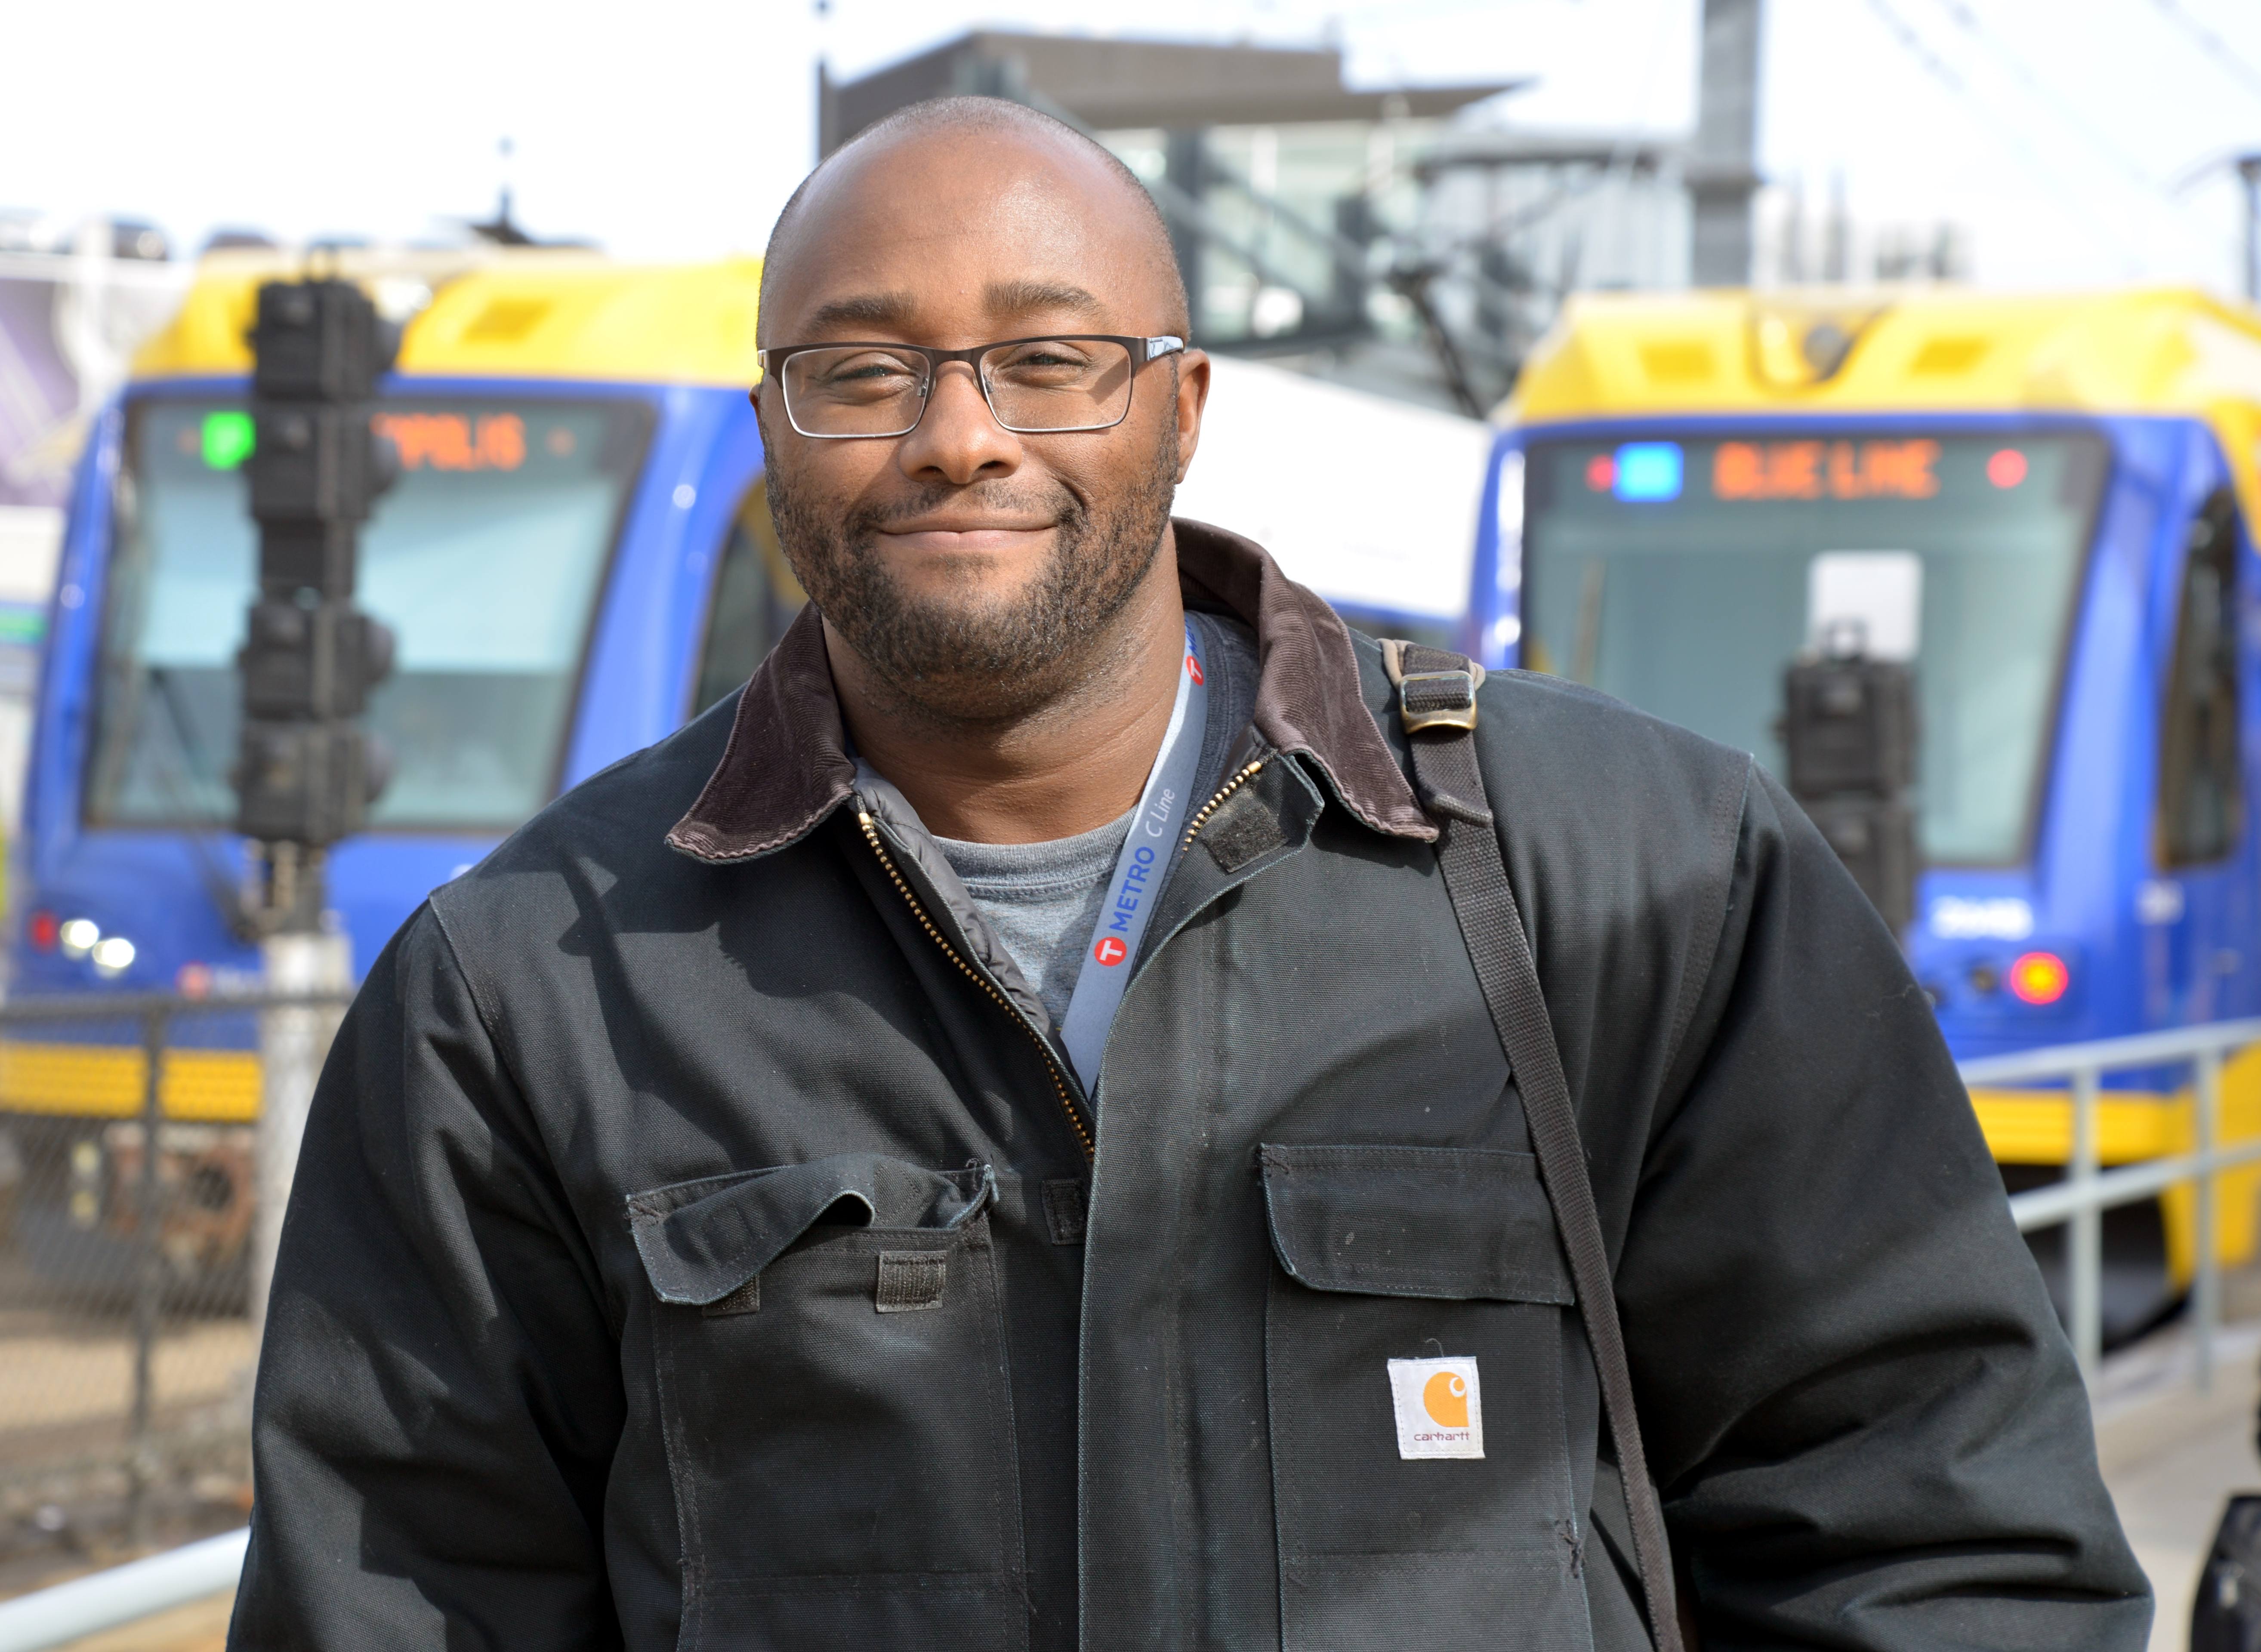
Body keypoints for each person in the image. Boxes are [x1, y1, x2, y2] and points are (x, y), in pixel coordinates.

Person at [230, 98, 2151, 1651]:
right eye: (859, 371)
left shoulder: (1627, 872)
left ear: (1179, 404)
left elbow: (1934, 1540)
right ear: (772, 436)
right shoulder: (530, 986)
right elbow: (401, 1596)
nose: (958, 436)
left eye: (1047, 361)